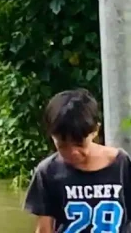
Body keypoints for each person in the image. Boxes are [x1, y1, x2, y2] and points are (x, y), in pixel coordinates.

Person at [24, 88, 131, 233]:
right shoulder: (47, 172)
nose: (72, 152)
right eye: (62, 145)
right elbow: (44, 228)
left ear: (95, 131)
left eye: (80, 144)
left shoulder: (121, 164)